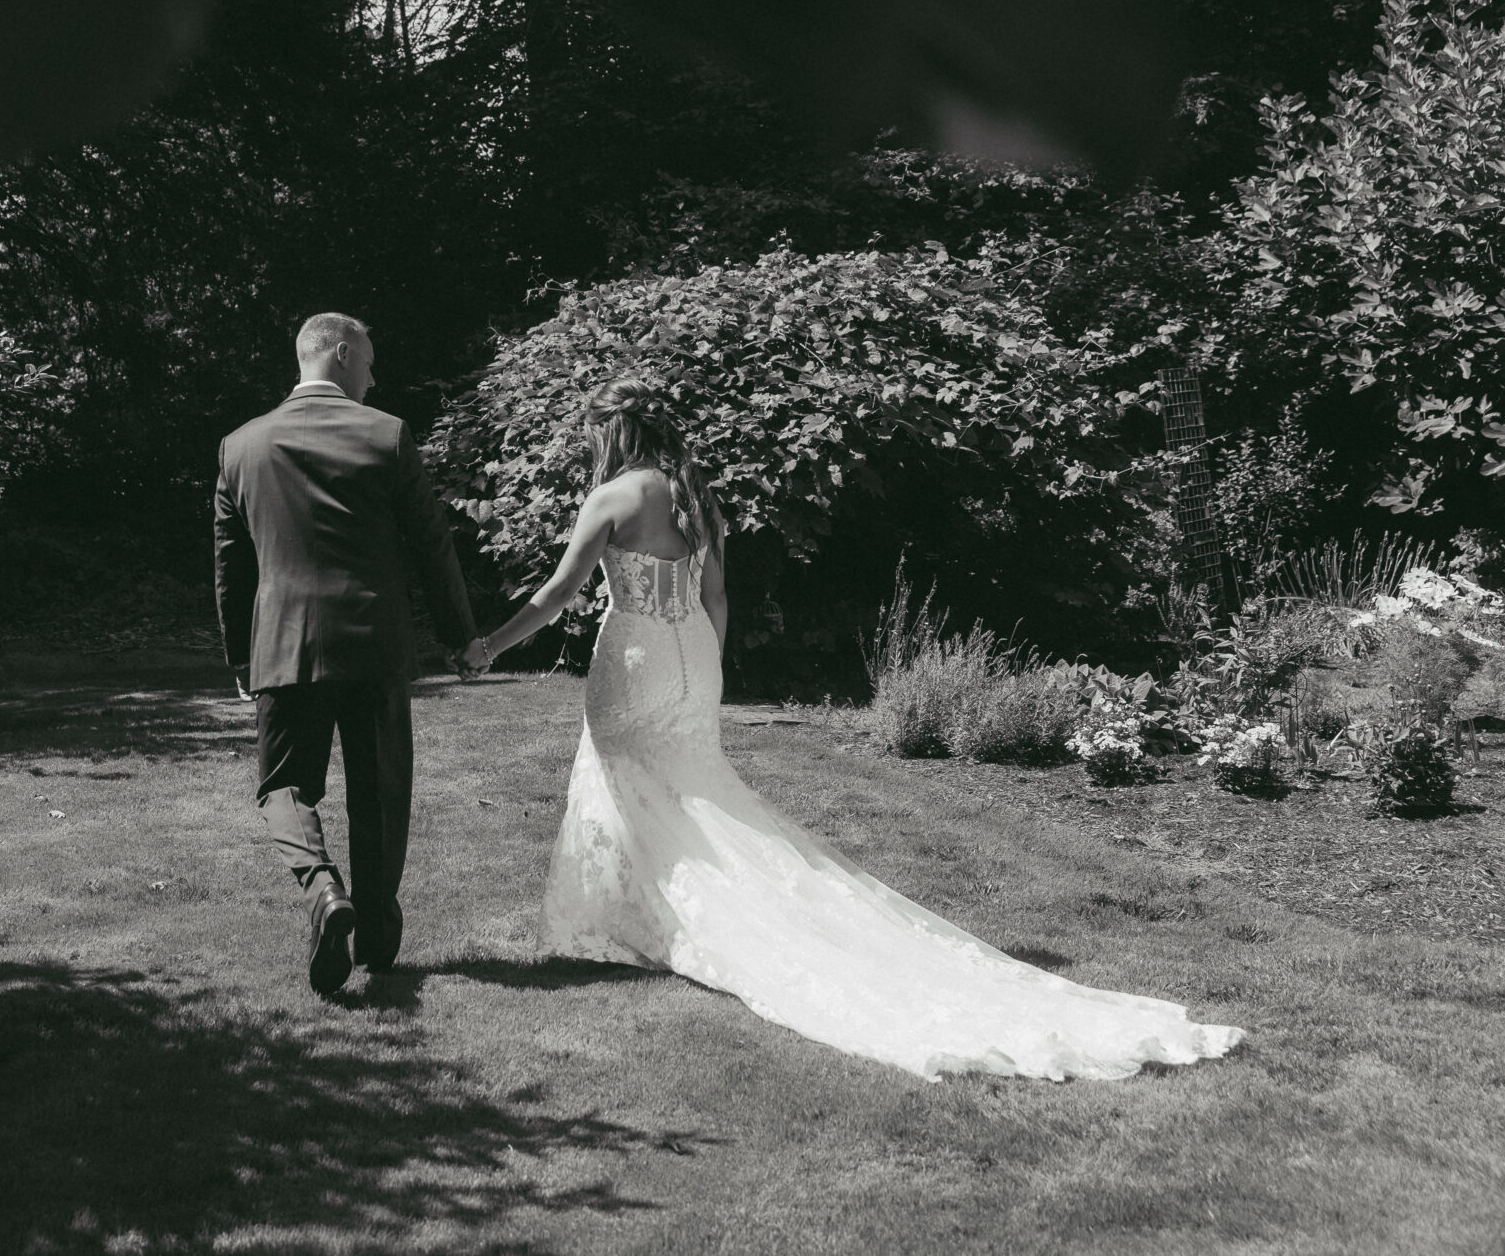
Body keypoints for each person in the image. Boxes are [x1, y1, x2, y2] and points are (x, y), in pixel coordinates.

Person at [460, 377, 1244, 1080]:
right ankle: (659, 911)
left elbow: (561, 592)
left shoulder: (612, 498)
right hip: (693, 653)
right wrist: (709, 671)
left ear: (614, 432)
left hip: (634, 652)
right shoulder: (695, 493)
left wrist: (492, 642)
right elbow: (717, 596)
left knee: (630, 779)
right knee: (697, 789)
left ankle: (646, 917)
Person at [215, 312, 477, 996]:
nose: (374, 374)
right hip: (374, 640)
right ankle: (379, 945)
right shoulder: (387, 434)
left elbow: (230, 564)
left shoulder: (241, 447)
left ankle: (322, 886)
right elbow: (431, 542)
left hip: (283, 644)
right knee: (380, 791)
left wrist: (240, 657)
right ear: (338, 353)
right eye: (368, 360)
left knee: (282, 788)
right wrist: (459, 634)